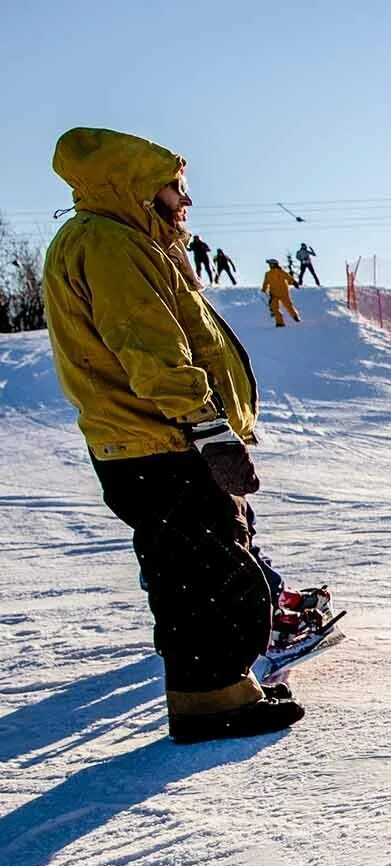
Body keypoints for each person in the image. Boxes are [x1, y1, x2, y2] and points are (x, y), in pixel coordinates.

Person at [41, 126, 302, 743]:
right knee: (202, 573)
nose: (184, 202)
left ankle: (219, 689)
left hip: (157, 442)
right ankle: (211, 702)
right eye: (174, 188)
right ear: (134, 187)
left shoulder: (124, 241)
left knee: (200, 565)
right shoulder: (108, 244)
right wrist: (210, 432)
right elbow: (152, 349)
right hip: (159, 443)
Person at [261, 259, 299, 326]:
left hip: (283, 293)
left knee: (288, 306)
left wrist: (294, 282)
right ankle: (280, 322)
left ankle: (295, 317)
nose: (269, 265)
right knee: (274, 308)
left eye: (270, 264)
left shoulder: (281, 272)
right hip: (274, 294)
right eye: (269, 264)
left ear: (273, 264)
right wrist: (264, 289)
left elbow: (288, 277)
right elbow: (265, 283)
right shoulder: (268, 274)